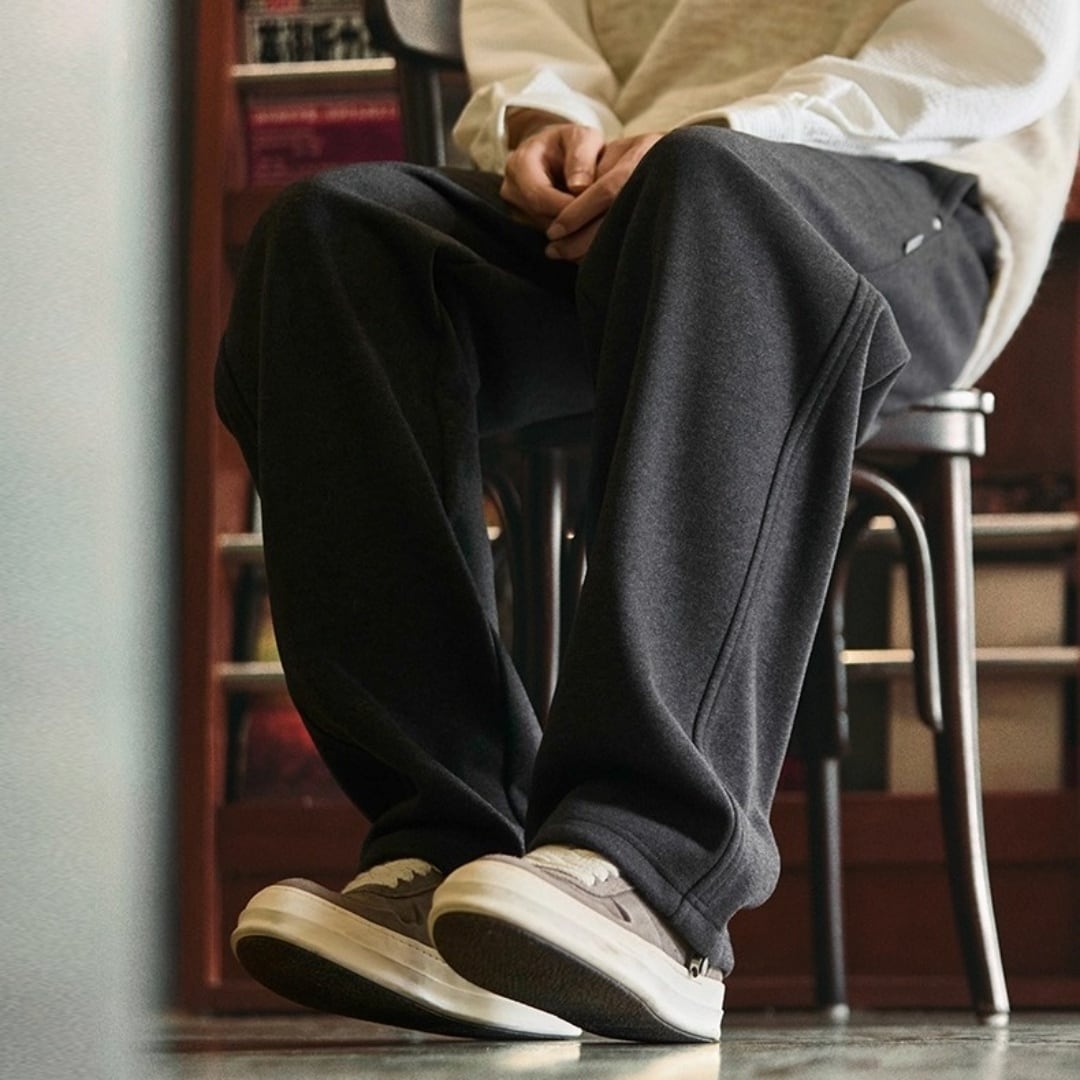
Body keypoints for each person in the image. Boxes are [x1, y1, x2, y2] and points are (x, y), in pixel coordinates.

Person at [215, 0, 1079, 1044]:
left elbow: (999, 43)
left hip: (909, 172)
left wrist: (729, 128)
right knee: (328, 239)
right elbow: (534, 22)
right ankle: (451, 854)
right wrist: (553, 124)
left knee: (713, 190)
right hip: (622, 190)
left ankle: (651, 874)